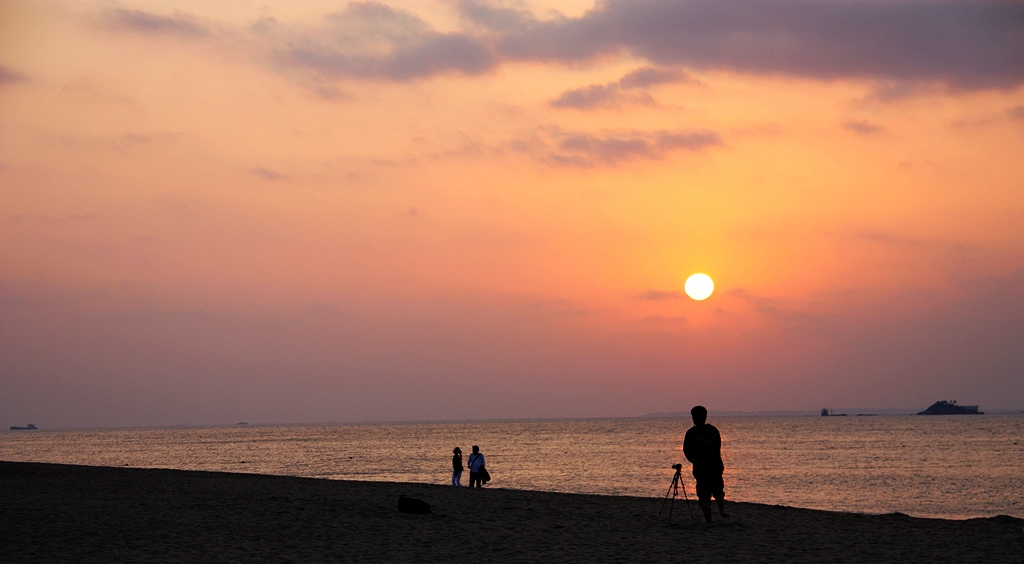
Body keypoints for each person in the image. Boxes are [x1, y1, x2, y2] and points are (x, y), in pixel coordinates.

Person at [683, 405, 729, 522]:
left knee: (704, 494)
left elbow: (686, 450)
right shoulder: (713, 430)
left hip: (701, 467)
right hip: (715, 465)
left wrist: (695, 460)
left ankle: (708, 519)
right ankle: (721, 509)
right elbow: (718, 447)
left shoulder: (691, 433)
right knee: (718, 488)